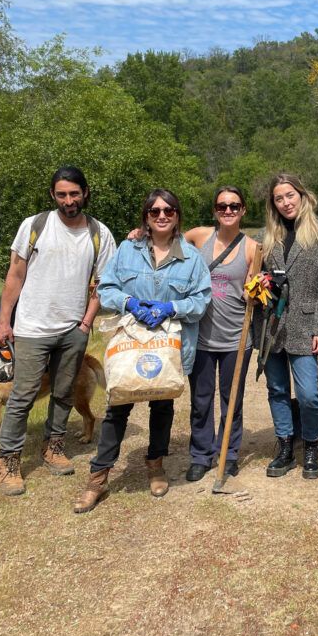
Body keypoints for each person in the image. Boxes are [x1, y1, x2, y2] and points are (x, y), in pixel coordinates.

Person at [74, 190, 211, 512]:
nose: (161, 216)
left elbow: (202, 300)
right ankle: (98, 478)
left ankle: (155, 464)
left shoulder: (191, 258)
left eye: (168, 210)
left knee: (161, 407)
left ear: (178, 215)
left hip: (167, 347)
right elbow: (106, 288)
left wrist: (170, 307)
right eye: (154, 211)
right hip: (129, 343)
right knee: (118, 407)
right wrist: (130, 303)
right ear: (146, 216)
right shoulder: (126, 250)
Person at [0, 166, 116, 497]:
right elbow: (15, 274)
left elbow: (103, 283)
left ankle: (54, 445)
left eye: (74, 193)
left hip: (74, 329)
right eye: (62, 194)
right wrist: (5, 321)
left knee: (63, 392)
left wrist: (87, 323)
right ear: (53, 195)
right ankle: (8, 460)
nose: (68, 200)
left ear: (85, 193)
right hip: (32, 326)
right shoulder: (35, 226)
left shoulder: (99, 233)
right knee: (23, 395)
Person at [258, 173, 318, 480]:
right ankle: (285, 447)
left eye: (290, 195)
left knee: (308, 394)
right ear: (273, 204)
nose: (286, 202)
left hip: (307, 326)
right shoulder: (267, 238)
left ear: (303, 196)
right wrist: (261, 284)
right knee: (276, 389)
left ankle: (310, 447)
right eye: (279, 198)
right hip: (271, 326)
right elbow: (254, 277)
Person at [182, 186, 259, 482]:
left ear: (243, 209)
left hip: (235, 339)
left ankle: (228, 452)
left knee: (232, 399)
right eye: (222, 206)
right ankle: (201, 454)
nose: (228, 210)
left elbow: (253, 290)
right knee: (201, 399)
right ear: (215, 210)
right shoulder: (199, 236)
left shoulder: (252, 247)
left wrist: (257, 288)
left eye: (234, 206)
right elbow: (166, 240)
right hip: (201, 336)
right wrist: (141, 234)